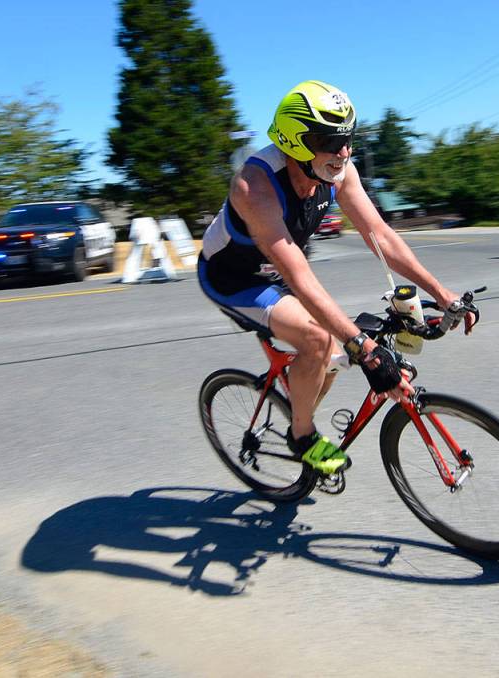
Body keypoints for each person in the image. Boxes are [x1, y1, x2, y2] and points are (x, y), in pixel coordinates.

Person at [197, 80, 475, 475]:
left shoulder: (339, 173)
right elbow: (299, 276)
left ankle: (299, 399)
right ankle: (302, 435)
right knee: (320, 340)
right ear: (295, 142)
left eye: (348, 139)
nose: (343, 152)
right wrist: (365, 349)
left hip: (279, 272)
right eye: (330, 141)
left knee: (335, 353)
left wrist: (443, 293)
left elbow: (381, 237)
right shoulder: (254, 186)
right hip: (234, 279)